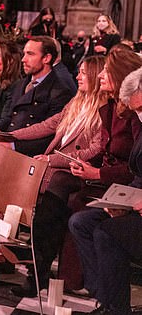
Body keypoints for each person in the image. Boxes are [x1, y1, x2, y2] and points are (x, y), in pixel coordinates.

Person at [10, 49, 142, 298]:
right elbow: (53, 125)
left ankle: (77, 284)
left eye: (104, 71)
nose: (100, 74)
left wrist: (90, 171)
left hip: (110, 180)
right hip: (100, 176)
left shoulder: (127, 113)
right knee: (48, 188)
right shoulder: (107, 105)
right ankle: (29, 262)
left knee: (62, 194)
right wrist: (11, 138)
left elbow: (100, 150)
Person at [0, 56, 106, 276]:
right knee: (10, 180)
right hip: (50, 167)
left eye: (83, 73)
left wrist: (50, 160)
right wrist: (9, 135)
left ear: (95, 75)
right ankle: (4, 252)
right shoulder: (76, 102)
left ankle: (31, 261)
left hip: (70, 171)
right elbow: (47, 125)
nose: (77, 77)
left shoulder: (103, 110)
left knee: (31, 184)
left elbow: (94, 149)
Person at [0, 36, 76, 215]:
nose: (24, 59)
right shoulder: (22, 84)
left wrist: (10, 144)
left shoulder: (58, 90)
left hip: (25, 154)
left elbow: (50, 137)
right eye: (24, 53)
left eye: (30, 54)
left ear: (47, 58)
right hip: (7, 141)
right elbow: (9, 118)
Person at [69, 66, 142, 315]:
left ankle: (115, 308)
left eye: (140, 109)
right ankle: (106, 297)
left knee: (106, 232)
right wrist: (122, 201)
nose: (138, 116)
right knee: (82, 221)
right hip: (133, 199)